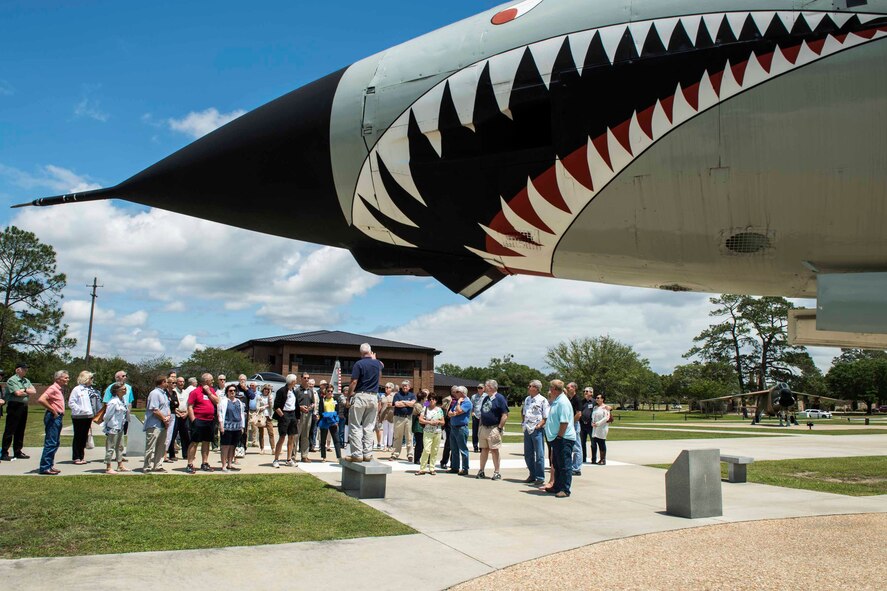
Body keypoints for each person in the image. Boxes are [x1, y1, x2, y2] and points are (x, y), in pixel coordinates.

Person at [347, 343, 383, 462]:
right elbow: (381, 366)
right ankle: (367, 453)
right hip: (373, 396)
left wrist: (349, 396)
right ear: (371, 351)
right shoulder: (377, 363)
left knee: (355, 425)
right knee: (369, 426)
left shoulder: (359, 364)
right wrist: (375, 359)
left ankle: (357, 454)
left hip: (361, 395)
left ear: (361, 353)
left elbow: (353, 382)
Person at [544, 379, 576, 498]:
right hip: (557, 438)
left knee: (564, 464)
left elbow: (564, 422)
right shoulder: (557, 401)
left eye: (550, 388)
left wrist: (559, 436)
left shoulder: (562, 402)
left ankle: (565, 489)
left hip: (563, 438)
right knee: (557, 464)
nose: (549, 390)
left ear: (554, 389)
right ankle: (557, 486)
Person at [1, 362, 37, 461]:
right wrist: (26, 391)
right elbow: (17, 393)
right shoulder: (12, 380)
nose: (26, 370)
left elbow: (34, 391)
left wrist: (23, 390)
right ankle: (4, 452)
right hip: (14, 406)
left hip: (24, 406)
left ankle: (17, 451)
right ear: (17, 369)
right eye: (24, 368)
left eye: (26, 369)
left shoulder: (26, 380)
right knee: (10, 430)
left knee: (20, 430)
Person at [186, 373, 219, 474]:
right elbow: (190, 406)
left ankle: (205, 463)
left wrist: (209, 392)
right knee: (194, 442)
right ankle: (190, 464)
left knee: (206, 442)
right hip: (198, 420)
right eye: (211, 380)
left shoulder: (211, 390)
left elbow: (217, 401)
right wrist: (193, 420)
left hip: (209, 420)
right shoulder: (195, 392)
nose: (213, 382)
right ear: (205, 381)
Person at [36, 370, 68, 475]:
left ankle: (50, 465)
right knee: (51, 442)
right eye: (65, 378)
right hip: (53, 417)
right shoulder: (53, 388)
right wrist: (53, 410)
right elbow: (41, 399)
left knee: (55, 442)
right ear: (58, 379)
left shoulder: (59, 389)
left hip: (58, 417)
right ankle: (45, 467)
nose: (67, 379)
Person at [476, 379, 508, 481]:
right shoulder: (486, 398)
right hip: (484, 428)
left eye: (486, 386)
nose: (484, 388)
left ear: (492, 387)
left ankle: (497, 472)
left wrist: (499, 428)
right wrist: (480, 427)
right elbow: (482, 413)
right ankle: (481, 470)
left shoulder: (500, 398)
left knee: (494, 450)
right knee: (484, 449)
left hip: (494, 428)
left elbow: (505, 414)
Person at [522, 379, 549, 485]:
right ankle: (532, 474)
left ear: (536, 388)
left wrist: (539, 425)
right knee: (528, 454)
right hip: (527, 428)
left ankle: (540, 477)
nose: (528, 388)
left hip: (537, 429)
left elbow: (546, 416)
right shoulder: (527, 399)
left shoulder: (543, 400)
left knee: (539, 454)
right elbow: (524, 412)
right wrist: (523, 422)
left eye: (530, 386)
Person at [68, 370, 98, 464]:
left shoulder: (89, 390)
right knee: (78, 436)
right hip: (78, 416)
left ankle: (81, 456)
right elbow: (71, 402)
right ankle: (76, 456)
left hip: (88, 416)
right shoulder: (77, 389)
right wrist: (80, 409)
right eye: (90, 378)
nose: (92, 380)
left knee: (84, 437)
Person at [144, 375, 171, 473]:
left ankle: (158, 465)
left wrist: (167, 417)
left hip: (163, 424)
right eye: (167, 382)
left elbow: (166, 407)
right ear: (163, 382)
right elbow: (155, 410)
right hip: (154, 424)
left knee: (161, 446)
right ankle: (147, 466)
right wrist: (164, 418)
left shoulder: (164, 394)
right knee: (150, 446)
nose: (168, 384)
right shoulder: (154, 393)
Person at [273, 374, 299, 468]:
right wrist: (282, 416)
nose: (296, 382)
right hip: (284, 414)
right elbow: (276, 406)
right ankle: (276, 459)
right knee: (282, 437)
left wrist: (297, 417)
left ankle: (289, 459)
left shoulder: (293, 391)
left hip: (293, 415)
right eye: (295, 380)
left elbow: (295, 404)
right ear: (292, 381)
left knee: (291, 437)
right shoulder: (281, 391)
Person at [103, 382, 130, 474]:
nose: (125, 390)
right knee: (110, 447)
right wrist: (107, 426)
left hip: (120, 427)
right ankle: (108, 467)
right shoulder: (113, 402)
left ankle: (120, 465)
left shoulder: (123, 400)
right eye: (123, 389)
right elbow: (107, 416)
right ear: (117, 391)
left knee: (120, 446)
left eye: (125, 388)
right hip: (113, 427)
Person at [218, 384, 245, 472]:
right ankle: (223, 465)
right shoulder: (223, 401)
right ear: (227, 392)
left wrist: (242, 426)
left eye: (234, 390)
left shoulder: (239, 402)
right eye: (230, 391)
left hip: (237, 427)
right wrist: (221, 425)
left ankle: (230, 464)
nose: (232, 392)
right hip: (227, 427)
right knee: (225, 446)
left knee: (233, 446)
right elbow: (220, 414)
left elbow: (242, 415)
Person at [416, 394, 444, 475]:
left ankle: (432, 468)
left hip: (437, 432)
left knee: (434, 450)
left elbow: (443, 422)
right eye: (430, 399)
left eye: (434, 399)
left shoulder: (439, 410)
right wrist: (429, 422)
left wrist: (438, 422)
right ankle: (422, 468)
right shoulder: (425, 408)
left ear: (436, 400)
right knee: (426, 450)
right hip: (427, 431)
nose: (432, 401)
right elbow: (420, 420)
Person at [447, 385, 472, 475]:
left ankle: (465, 468)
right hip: (453, 427)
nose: (455, 393)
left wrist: (458, 404)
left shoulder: (467, 402)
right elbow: (449, 413)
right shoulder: (457, 401)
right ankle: (455, 467)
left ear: (462, 393)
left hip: (461, 428)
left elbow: (459, 411)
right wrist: (454, 413)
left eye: (457, 392)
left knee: (463, 449)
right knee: (454, 449)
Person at [390, 380, 416, 461]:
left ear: (409, 387)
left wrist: (403, 402)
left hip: (408, 418)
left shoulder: (412, 395)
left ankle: (410, 455)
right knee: (397, 436)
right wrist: (408, 403)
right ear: (402, 387)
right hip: (398, 418)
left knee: (409, 437)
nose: (405, 387)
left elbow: (412, 404)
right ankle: (395, 454)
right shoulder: (397, 395)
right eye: (404, 386)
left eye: (406, 386)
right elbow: (397, 404)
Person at [167, 376, 190, 462]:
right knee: (173, 435)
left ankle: (186, 454)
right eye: (179, 382)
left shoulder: (186, 392)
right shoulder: (173, 392)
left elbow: (189, 404)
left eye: (183, 382)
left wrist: (186, 413)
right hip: (176, 415)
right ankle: (172, 454)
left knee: (185, 436)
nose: (181, 383)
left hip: (185, 415)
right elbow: (172, 405)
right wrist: (179, 413)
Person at [317, 384, 342, 462]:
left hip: (333, 422)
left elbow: (337, 411)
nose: (330, 392)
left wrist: (336, 420)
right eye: (328, 391)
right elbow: (320, 411)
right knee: (323, 440)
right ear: (326, 391)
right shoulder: (322, 400)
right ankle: (323, 457)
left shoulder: (335, 399)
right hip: (324, 421)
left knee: (336, 439)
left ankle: (339, 457)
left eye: (331, 391)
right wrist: (327, 416)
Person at [294, 373, 315, 463]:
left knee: (306, 435)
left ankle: (304, 456)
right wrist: (300, 407)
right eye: (305, 378)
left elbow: (313, 402)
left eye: (308, 378)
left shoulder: (310, 391)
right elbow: (293, 403)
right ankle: (292, 456)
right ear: (301, 378)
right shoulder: (297, 390)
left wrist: (311, 407)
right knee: (296, 435)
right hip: (299, 415)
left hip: (308, 415)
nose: (306, 379)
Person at [566, 382, 583, 476]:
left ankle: (576, 468)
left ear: (574, 388)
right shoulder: (570, 399)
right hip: (571, 424)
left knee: (577, 447)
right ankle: (573, 465)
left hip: (574, 425)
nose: (567, 389)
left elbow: (579, 414)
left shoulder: (577, 399)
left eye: (569, 388)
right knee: (573, 446)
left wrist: (571, 423)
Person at [253, 384, 275, 453]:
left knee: (271, 432)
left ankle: (273, 448)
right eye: (265, 389)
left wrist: (269, 401)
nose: (266, 390)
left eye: (268, 389)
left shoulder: (271, 396)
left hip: (268, 416)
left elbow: (272, 406)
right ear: (263, 389)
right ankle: (262, 448)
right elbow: (257, 407)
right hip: (261, 416)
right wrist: (263, 407)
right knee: (261, 433)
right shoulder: (259, 397)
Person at [591, 393, 611, 465]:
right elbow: (593, 417)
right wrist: (592, 423)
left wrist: (598, 423)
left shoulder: (605, 407)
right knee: (593, 443)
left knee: (601, 443)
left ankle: (603, 459)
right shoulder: (595, 407)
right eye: (596, 398)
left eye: (598, 398)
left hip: (602, 428)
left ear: (602, 399)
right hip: (595, 428)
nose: (597, 399)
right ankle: (594, 459)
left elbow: (606, 418)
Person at [579, 387, 596, 464]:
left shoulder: (594, 402)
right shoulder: (581, 402)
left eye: (587, 391)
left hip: (591, 426)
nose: (585, 392)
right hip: (582, 425)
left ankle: (594, 459)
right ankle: (583, 458)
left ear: (591, 393)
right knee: (582, 442)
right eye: (584, 391)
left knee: (593, 443)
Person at [411, 390, 427, 464]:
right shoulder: (418, 405)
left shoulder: (424, 404)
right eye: (426, 397)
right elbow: (422, 414)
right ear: (422, 398)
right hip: (418, 426)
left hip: (424, 425)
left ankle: (425, 459)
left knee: (425, 444)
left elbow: (431, 406)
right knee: (419, 444)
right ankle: (417, 459)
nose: (427, 399)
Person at [439, 389, 452, 471]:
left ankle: (453, 463)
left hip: (454, 425)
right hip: (428, 425)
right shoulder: (448, 399)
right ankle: (443, 462)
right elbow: (443, 408)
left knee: (454, 446)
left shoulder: (459, 400)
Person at [379, 382, 395, 451]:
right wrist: (378, 414)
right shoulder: (382, 396)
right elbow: (380, 405)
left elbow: (397, 404)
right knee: (385, 430)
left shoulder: (394, 396)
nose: (387, 389)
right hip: (384, 415)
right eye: (386, 387)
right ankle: (385, 445)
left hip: (391, 415)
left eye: (389, 387)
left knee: (391, 431)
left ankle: (390, 445)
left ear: (392, 389)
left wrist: (392, 405)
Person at [470, 384, 484, 453]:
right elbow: (471, 405)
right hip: (475, 415)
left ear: (484, 389)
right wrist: (472, 412)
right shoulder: (474, 396)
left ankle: (482, 447)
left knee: (481, 432)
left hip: (483, 416)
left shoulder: (486, 396)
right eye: (478, 388)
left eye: (481, 388)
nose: (479, 389)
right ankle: (475, 446)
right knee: (475, 432)